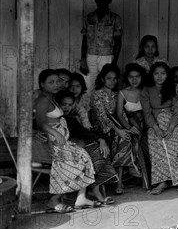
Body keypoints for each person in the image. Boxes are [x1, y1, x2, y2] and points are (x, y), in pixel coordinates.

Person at [34, 69, 96, 213]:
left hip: (61, 140)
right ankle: (54, 200)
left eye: (57, 81)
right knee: (71, 161)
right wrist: (55, 132)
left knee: (84, 156)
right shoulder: (42, 99)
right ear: (42, 84)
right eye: (51, 82)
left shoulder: (53, 98)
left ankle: (81, 197)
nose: (56, 84)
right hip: (54, 142)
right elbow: (40, 123)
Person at [57, 89, 118, 204]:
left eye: (69, 105)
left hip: (75, 148)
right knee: (93, 154)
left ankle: (93, 190)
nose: (66, 107)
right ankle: (91, 192)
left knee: (99, 150)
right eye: (63, 104)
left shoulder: (71, 119)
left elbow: (84, 132)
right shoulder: (53, 119)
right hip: (65, 152)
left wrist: (101, 140)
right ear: (57, 104)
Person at [89, 64, 139, 195]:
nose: (112, 81)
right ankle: (118, 180)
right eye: (109, 78)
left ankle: (121, 178)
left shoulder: (118, 94)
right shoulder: (97, 94)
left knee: (127, 137)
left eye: (115, 78)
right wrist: (118, 130)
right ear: (102, 79)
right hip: (101, 127)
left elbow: (121, 114)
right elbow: (102, 117)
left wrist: (128, 128)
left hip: (117, 125)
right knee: (121, 138)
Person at [141, 62, 178, 194]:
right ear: (152, 75)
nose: (159, 76)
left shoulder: (174, 88)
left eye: (163, 73)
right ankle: (162, 183)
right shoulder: (146, 90)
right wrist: (156, 128)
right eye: (156, 73)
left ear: (168, 75)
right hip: (154, 124)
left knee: (174, 147)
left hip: (172, 123)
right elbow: (146, 112)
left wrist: (171, 128)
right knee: (157, 150)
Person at [79, 0, 123, 91]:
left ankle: (105, 106)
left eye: (104, 0)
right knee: (90, 84)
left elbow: (118, 42)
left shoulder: (115, 19)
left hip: (107, 56)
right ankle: (90, 106)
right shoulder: (89, 18)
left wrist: (114, 63)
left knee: (107, 84)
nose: (101, 2)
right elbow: (85, 40)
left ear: (109, 1)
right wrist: (83, 59)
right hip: (91, 55)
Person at [116, 63, 150, 189]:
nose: (134, 80)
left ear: (142, 77)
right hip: (130, 126)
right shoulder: (122, 93)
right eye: (131, 77)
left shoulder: (145, 91)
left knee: (147, 143)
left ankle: (147, 178)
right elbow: (119, 115)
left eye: (137, 76)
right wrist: (130, 128)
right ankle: (124, 180)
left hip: (145, 125)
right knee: (130, 142)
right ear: (127, 78)